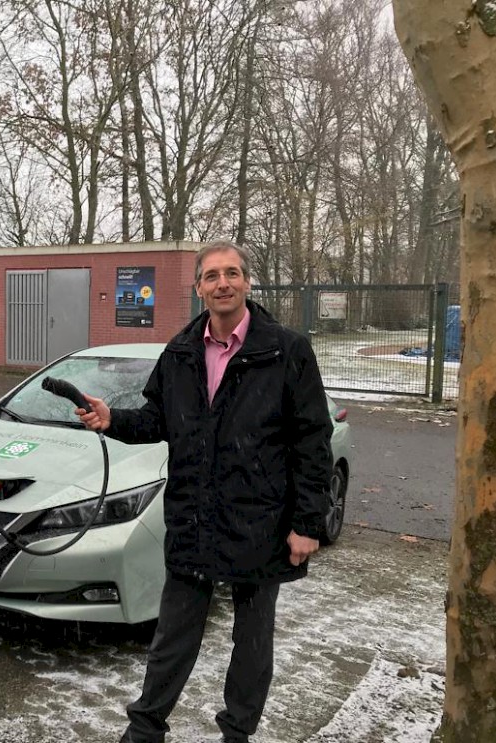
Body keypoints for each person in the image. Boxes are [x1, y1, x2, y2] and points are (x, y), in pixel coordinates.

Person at [77, 239, 333, 743]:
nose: (223, 283)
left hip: (261, 522)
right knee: (173, 637)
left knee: (252, 643)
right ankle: (145, 728)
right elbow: (155, 418)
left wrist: (308, 522)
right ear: (198, 287)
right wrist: (113, 419)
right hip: (194, 518)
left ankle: (237, 733)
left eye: (232, 273)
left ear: (248, 281)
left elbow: (312, 440)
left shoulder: (286, 350)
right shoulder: (181, 351)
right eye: (212, 275)